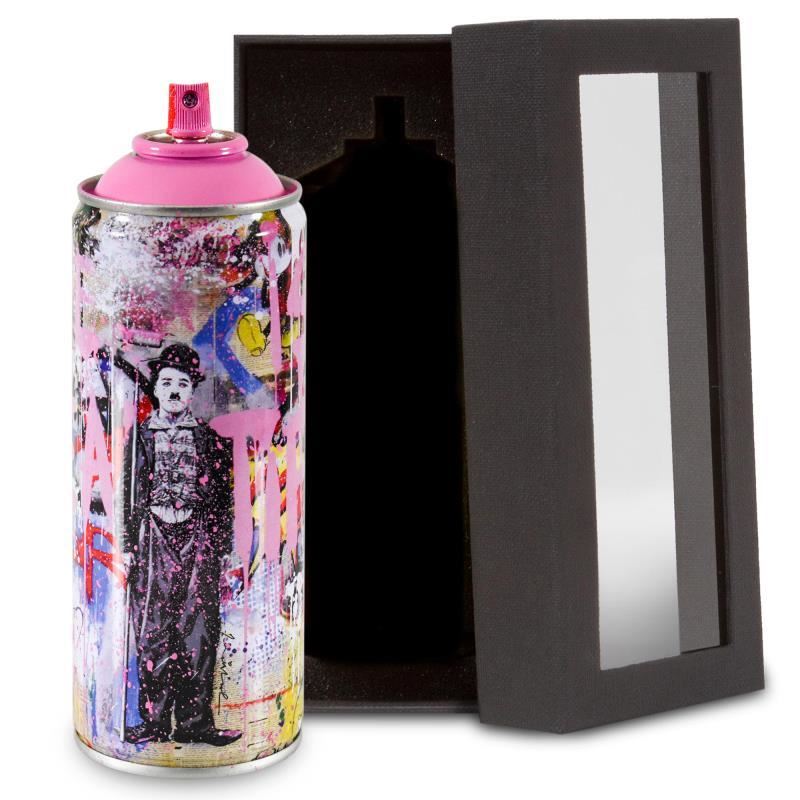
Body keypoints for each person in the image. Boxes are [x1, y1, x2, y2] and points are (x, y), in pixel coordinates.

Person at [122, 343, 241, 747]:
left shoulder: (209, 439)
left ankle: (195, 724)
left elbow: (222, 499)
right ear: (156, 388)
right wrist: (128, 545)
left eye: (183, 384)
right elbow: (129, 492)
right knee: (153, 630)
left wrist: (223, 547)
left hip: (198, 538)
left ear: (192, 391)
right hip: (152, 538)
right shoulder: (140, 438)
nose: (174, 390)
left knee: (198, 631)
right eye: (167, 382)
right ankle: (154, 722)